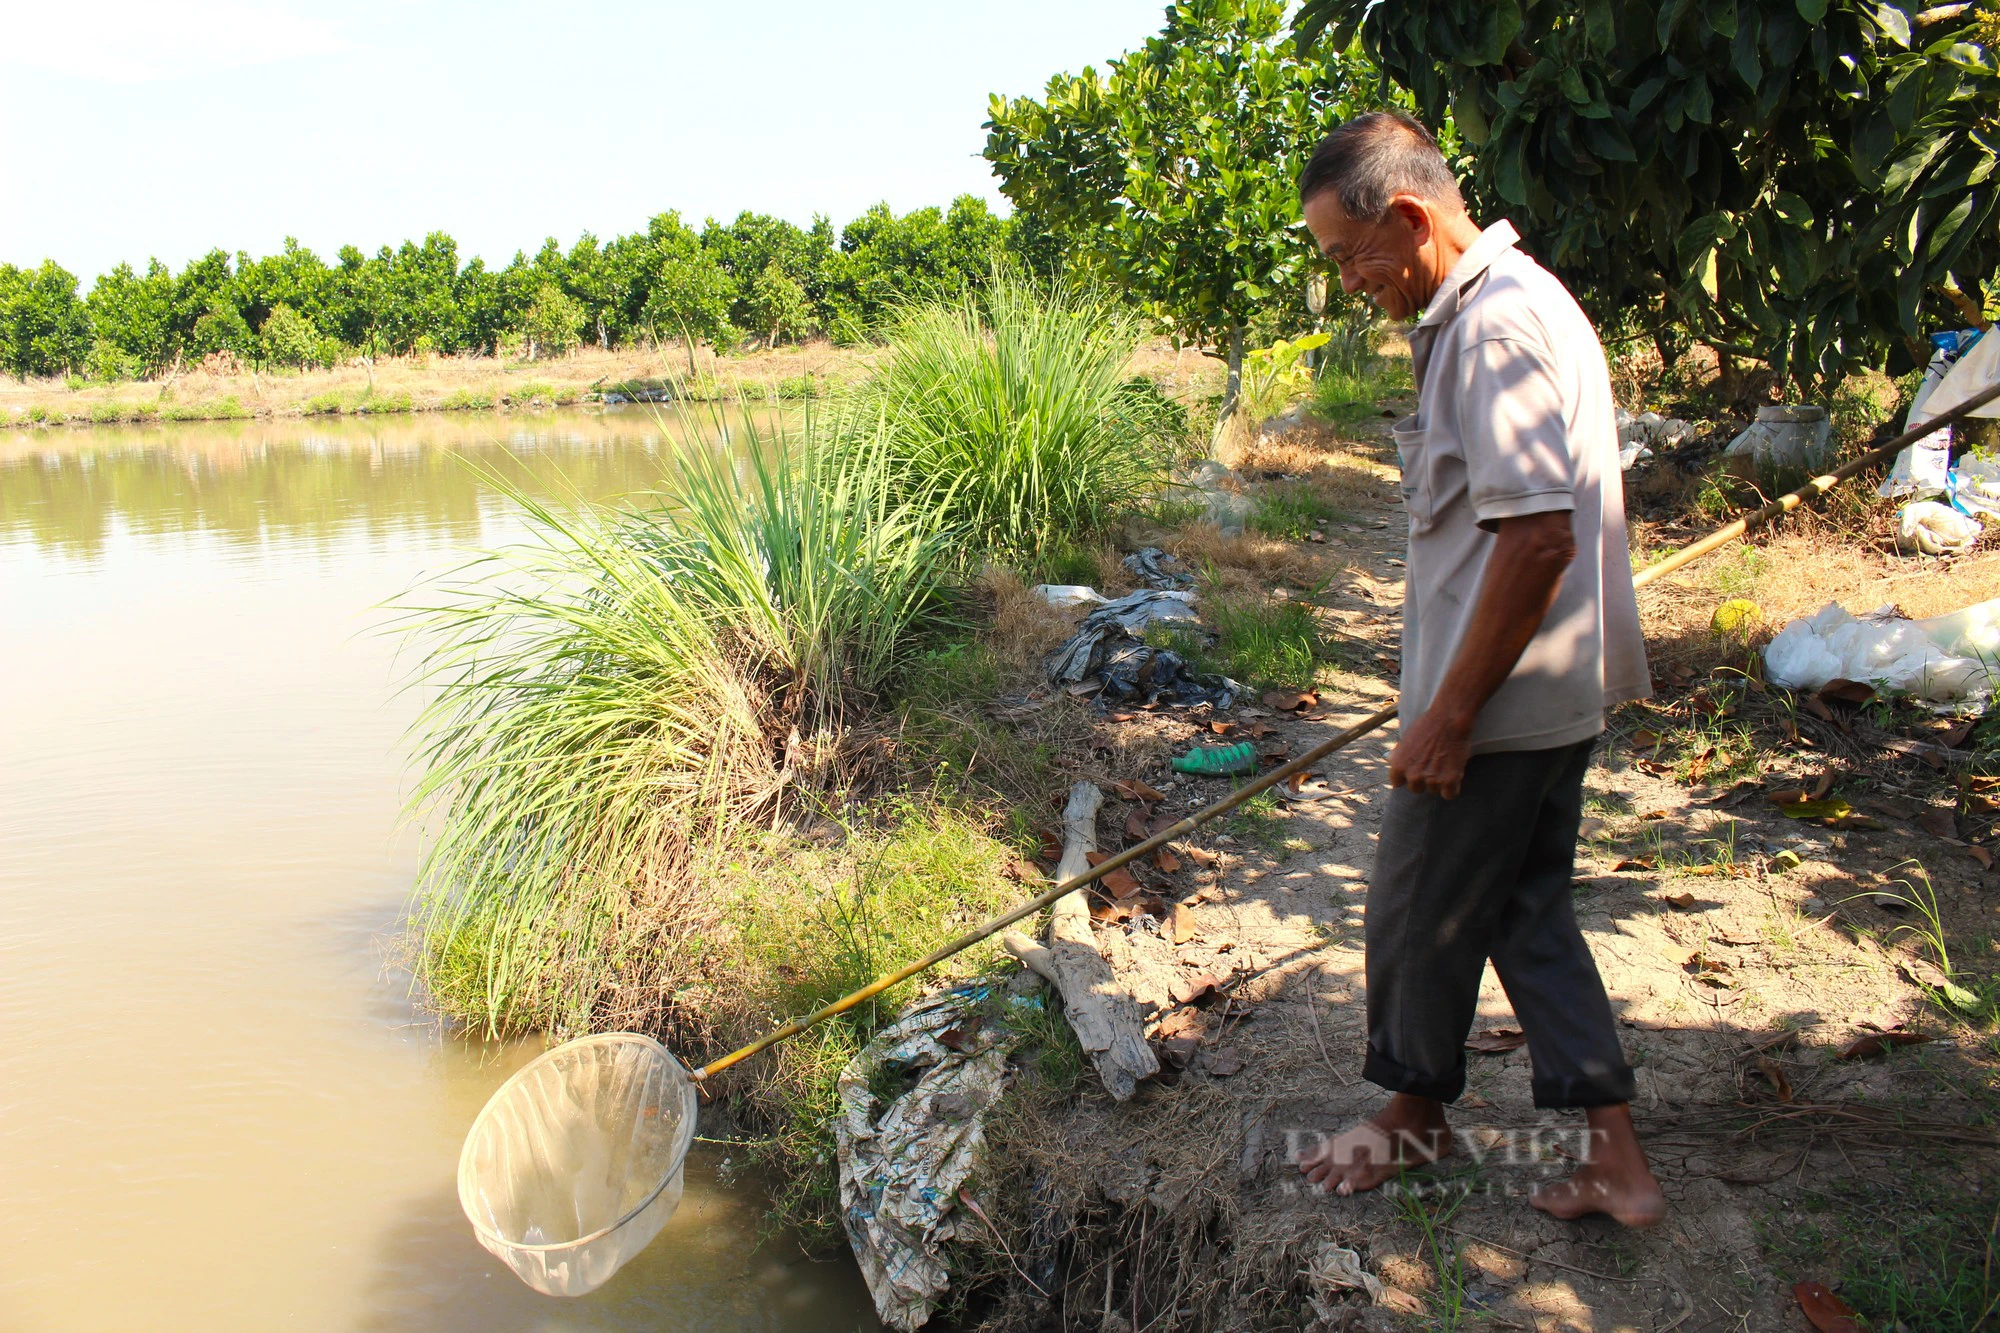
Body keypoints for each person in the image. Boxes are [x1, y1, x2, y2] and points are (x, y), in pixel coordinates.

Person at [1292, 110, 1664, 1227]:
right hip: (1542, 691)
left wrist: (1447, 717)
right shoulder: (1504, 304)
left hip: (1497, 704)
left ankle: (1409, 1114)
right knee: (1522, 909)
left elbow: (1537, 537)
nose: (1347, 280)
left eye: (1346, 254)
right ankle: (1614, 1157)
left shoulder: (1495, 326)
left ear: (1406, 218)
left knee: (1414, 903)